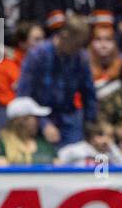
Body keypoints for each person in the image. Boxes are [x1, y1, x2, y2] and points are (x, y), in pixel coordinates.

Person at [15, 13, 96, 144]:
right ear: (64, 35)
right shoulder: (37, 55)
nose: (79, 49)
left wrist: (91, 126)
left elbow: (89, 95)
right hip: (38, 118)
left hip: (68, 119)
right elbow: (23, 96)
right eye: (77, 44)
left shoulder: (81, 58)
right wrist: (43, 124)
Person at [0, 97, 58, 165]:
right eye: (35, 117)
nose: (38, 121)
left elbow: (59, 166)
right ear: (22, 121)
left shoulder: (44, 144)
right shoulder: (0, 145)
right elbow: (0, 170)